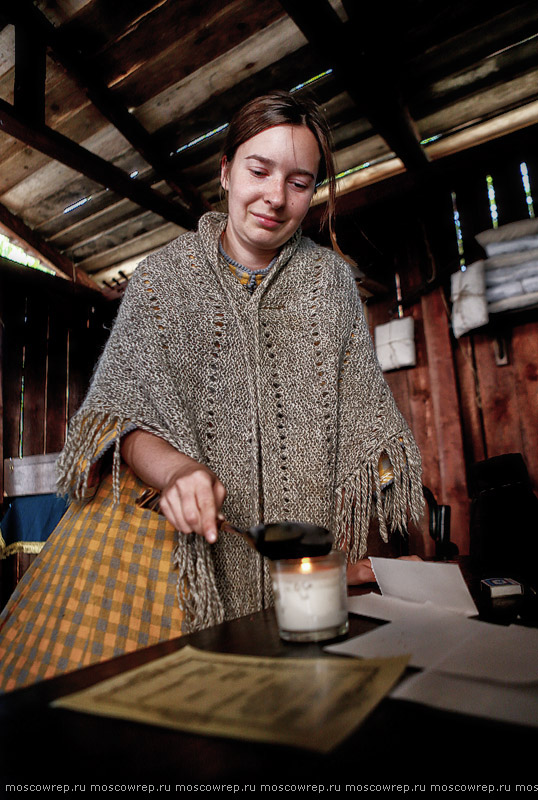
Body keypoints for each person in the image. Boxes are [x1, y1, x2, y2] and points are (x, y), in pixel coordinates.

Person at [0, 91, 423, 692]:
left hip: (300, 575)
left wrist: (365, 565)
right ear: (225, 171)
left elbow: (364, 434)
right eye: (259, 170)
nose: (276, 197)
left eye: (300, 183)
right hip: (175, 573)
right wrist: (175, 473)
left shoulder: (329, 284)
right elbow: (123, 415)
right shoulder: (163, 280)